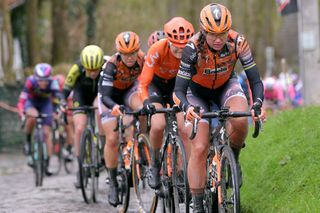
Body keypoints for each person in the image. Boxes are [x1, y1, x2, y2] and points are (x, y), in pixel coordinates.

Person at [172, 4, 265, 211]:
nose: (218, 39)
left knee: (240, 120)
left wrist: (257, 104)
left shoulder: (238, 42)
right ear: (203, 31)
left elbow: (255, 82)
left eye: (222, 33)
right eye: (213, 34)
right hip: (195, 92)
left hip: (226, 85)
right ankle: (196, 204)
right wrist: (186, 107)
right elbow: (178, 91)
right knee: (199, 146)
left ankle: (234, 158)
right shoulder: (192, 48)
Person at [138, 17, 194, 190]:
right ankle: (155, 164)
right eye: (176, 47)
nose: (180, 51)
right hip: (155, 86)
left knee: (184, 128)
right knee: (158, 124)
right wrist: (146, 101)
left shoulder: (191, 51)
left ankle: (183, 171)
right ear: (168, 42)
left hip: (176, 88)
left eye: (183, 47)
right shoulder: (156, 49)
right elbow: (143, 83)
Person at [98, 31, 145, 207]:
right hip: (109, 97)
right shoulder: (111, 65)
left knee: (142, 108)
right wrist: (114, 107)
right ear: (119, 52)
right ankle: (112, 181)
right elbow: (105, 96)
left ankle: (142, 142)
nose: (130, 57)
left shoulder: (143, 59)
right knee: (111, 138)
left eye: (133, 53)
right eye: (126, 54)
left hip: (129, 91)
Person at [60, 44, 106, 188]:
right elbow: (66, 88)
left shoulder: (106, 66)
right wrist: (61, 101)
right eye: (89, 70)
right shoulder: (77, 68)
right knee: (79, 128)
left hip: (98, 94)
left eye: (95, 69)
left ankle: (103, 148)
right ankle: (80, 166)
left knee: (99, 109)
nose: (93, 73)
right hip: (81, 96)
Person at [17, 63, 61, 176]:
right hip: (31, 102)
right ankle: (27, 140)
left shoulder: (53, 83)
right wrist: (21, 112)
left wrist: (57, 112)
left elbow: (58, 99)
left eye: (46, 80)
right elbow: (22, 100)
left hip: (46, 103)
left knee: (47, 133)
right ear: (36, 78)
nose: (43, 83)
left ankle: (46, 163)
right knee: (32, 116)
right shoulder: (30, 81)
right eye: (40, 80)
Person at [53, 74, 74, 161]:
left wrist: (67, 114)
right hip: (54, 106)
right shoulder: (52, 89)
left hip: (66, 105)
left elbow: (70, 104)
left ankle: (69, 147)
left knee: (68, 124)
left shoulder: (68, 91)